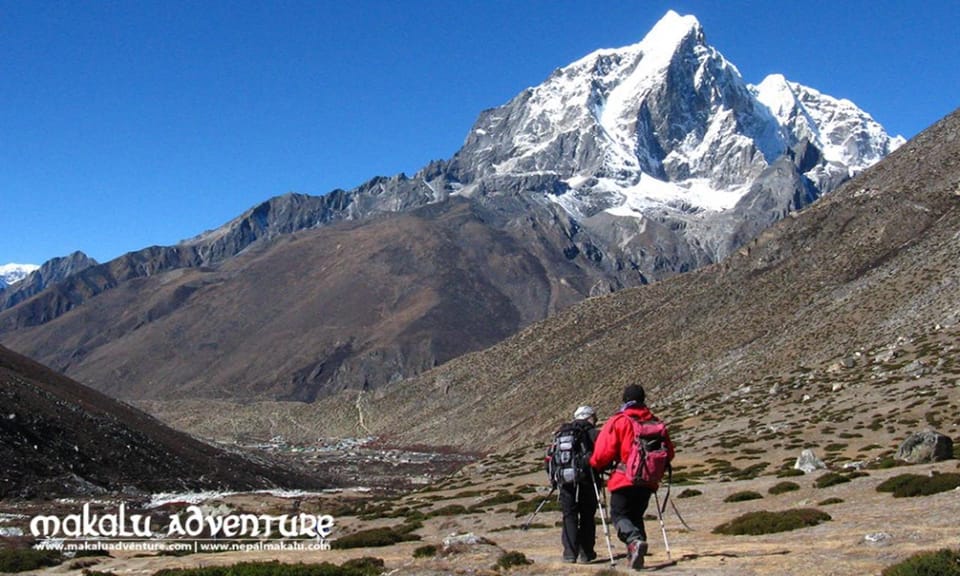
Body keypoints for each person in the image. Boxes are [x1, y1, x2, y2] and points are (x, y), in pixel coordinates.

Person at [589, 385, 675, 570]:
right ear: (644, 399)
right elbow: (670, 452)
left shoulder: (619, 421)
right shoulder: (655, 422)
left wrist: (595, 464)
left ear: (624, 400)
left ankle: (634, 542)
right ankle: (635, 556)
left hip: (624, 478)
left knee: (619, 515)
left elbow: (603, 453)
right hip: (649, 481)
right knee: (636, 516)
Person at [557, 405, 600, 563]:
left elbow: (550, 458)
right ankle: (586, 553)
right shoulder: (594, 434)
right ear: (589, 417)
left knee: (569, 515)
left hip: (565, 480)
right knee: (587, 515)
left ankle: (569, 552)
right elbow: (602, 456)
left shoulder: (562, 433)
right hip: (589, 479)